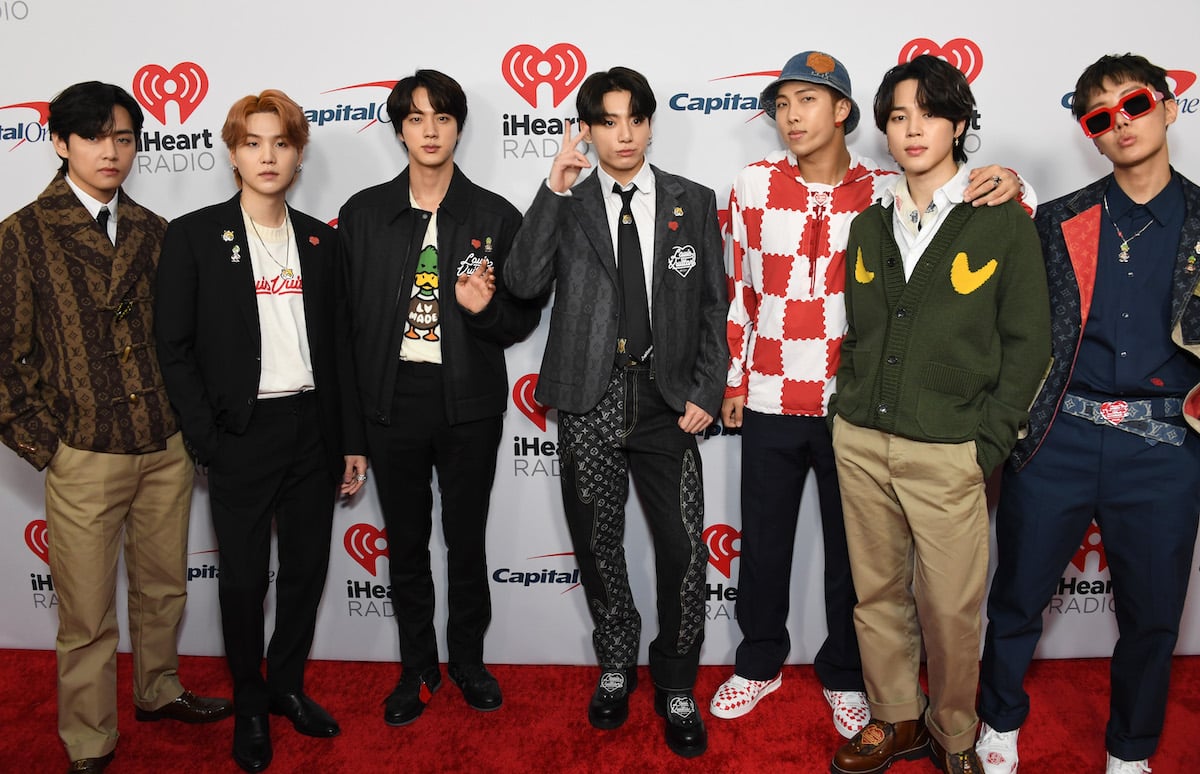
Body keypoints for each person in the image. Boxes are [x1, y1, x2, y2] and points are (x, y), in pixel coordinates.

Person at [713, 50, 1027, 738]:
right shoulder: (751, 183)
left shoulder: (886, 184)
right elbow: (740, 290)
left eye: (808, 100)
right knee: (762, 546)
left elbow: (976, 200)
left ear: (844, 111)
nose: (792, 116)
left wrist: (1011, 177)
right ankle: (758, 661)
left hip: (850, 406)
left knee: (855, 561)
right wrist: (734, 378)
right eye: (782, 104)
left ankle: (846, 674)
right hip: (767, 395)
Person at [976, 53, 1200, 774]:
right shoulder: (1058, 219)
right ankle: (998, 722)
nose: (1121, 125)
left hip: (1164, 447)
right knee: (1016, 596)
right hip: (1059, 437)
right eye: (1101, 117)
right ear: (1091, 136)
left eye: (1135, 105)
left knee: (1153, 616)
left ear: (1168, 107)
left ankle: (1130, 750)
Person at [0, 81, 231, 774]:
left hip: (163, 444)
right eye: (95, 137)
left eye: (124, 138)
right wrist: (50, 446)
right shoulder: (22, 234)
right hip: (84, 452)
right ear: (60, 143)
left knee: (164, 589)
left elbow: (182, 341)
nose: (111, 151)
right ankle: (89, 737)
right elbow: (4, 354)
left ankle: (159, 691)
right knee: (86, 612)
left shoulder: (155, 230)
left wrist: (187, 429)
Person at [828, 55, 1050, 774]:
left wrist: (986, 443)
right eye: (898, 116)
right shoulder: (869, 224)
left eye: (929, 113)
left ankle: (954, 733)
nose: (913, 128)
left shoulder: (1001, 219)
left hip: (952, 449)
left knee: (951, 609)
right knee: (876, 594)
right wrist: (845, 412)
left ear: (959, 124)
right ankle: (895, 718)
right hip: (862, 441)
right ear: (885, 131)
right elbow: (859, 333)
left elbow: (1029, 343)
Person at [504, 66, 728, 758]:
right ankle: (615, 661)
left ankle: (677, 681)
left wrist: (707, 389)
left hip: (666, 401)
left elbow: (715, 305)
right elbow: (521, 281)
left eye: (635, 119)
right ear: (588, 129)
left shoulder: (692, 200)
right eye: (607, 121)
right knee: (598, 546)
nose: (623, 134)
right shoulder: (567, 202)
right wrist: (552, 189)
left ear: (651, 124)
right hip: (587, 399)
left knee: (684, 549)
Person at [155, 90, 368, 772]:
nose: (267, 156)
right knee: (245, 581)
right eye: (253, 143)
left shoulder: (322, 241)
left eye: (281, 143)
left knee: (305, 572)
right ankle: (250, 702)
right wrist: (208, 439)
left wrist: (351, 439)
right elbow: (173, 348)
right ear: (233, 154)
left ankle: (286, 688)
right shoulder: (194, 235)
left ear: (299, 155)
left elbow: (341, 349)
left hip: (313, 429)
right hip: (241, 433)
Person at [336, 70, 541, 728]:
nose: (430, 131)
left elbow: (521, 317)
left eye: (443, 117)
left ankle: (469, 662)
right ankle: (417, 666)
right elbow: (343, 326)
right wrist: (351, 430)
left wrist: (483, 312)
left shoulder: (494, 215)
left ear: (458, 127)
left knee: (466, 542)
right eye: (416, 118)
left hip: (468, 406)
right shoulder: (364, 214)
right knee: (405, 545)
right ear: (399, 129)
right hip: (390, 404)